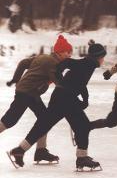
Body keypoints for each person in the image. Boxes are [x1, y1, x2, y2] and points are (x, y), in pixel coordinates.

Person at [8, 41, 107, 170]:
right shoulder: (87, 64)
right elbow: (68, 64)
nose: (104, 60)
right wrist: (59, 75)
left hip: (61, 97)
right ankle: (82, 158)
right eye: (103, 57)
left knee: (44, 124)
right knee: (82, 126)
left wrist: (84, 98)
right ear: (98, 58)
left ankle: (20, 150)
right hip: (67, 98)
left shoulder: (88, 64)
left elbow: (80, 82)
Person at [1, 35, 72, 164]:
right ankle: (39, 151)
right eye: (68, 52)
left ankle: (41, 151)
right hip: (26, 93)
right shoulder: (53, 63)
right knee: (10, 120)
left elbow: (23, 63)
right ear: (60, 52)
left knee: (44, 118)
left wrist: (17, 79)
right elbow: (60, 83)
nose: (69, 55)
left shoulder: (44, 57)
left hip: (30, 93)